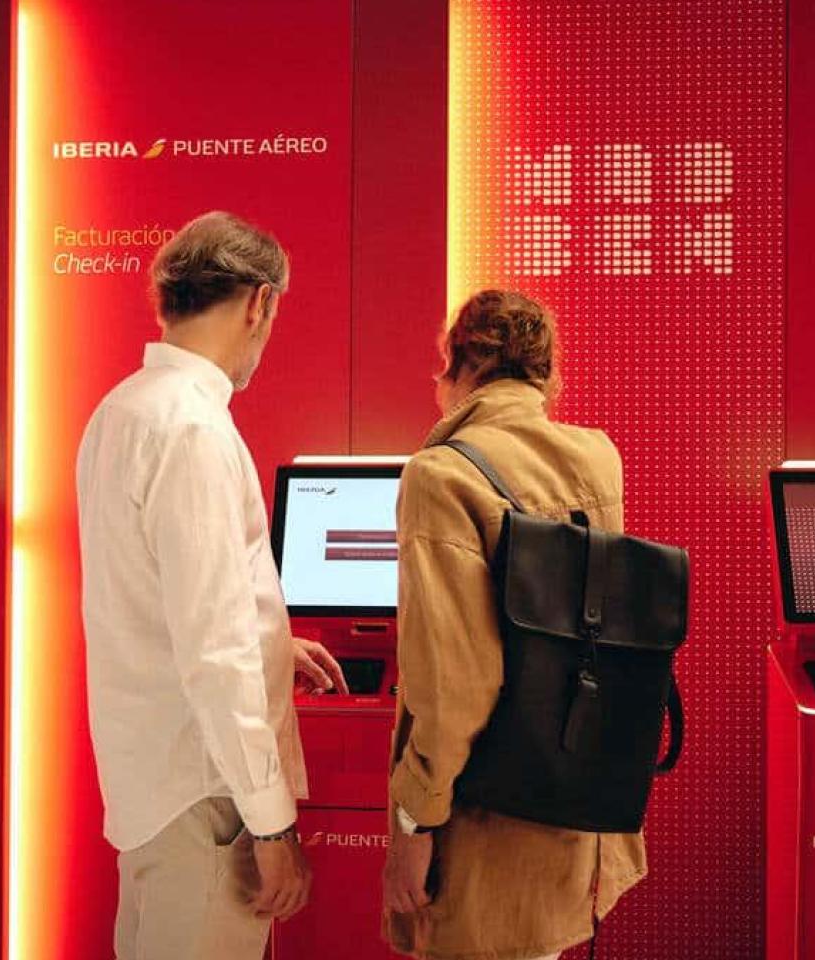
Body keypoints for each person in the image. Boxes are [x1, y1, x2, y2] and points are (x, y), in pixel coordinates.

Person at [77, 211, 347, 960]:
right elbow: (214, 649)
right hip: (206, 794)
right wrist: (272, 826)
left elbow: (159, 602)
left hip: (152, 783)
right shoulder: (192, 429)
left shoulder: (121, 411)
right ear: (259, 302)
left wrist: (272, 642)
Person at [381, 290, 647, 960]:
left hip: (482, 822)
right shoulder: (597, 459)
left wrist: (414, 822)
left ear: (460, 364)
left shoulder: (440, 476)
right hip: (572, 799)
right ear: (546, 371)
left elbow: (454, 688)